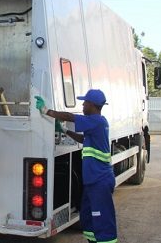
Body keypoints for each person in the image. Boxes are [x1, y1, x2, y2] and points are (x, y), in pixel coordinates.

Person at [35, 89, 116, 243]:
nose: (83, 105)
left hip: (100, 181)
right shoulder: (95, 125)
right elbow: (82, 138)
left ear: (92, 105)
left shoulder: (97, 120)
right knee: (87, 217)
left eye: (85, 102)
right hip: (93, 181)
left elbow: (70, 116)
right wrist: (64, 130)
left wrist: (46, 111)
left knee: (103, 220)